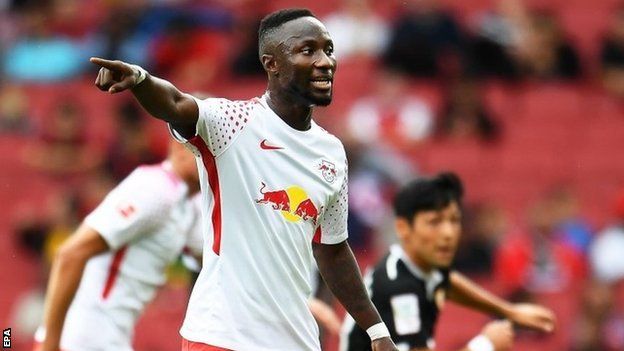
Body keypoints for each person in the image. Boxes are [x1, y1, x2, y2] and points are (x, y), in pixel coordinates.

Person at [89, 8, 398, 351]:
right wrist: (141, 79)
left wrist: (375, 329)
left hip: (295, 342)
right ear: (272, 63)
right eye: (307, 50)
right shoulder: (232, 122)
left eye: (328, 49)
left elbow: (334, 251)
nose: (325, 61)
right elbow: (176, 103)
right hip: (223, 337)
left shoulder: (331, 153)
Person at [341, 173, 556, 351]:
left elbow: (445, 281)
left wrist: (508, 311)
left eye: (453, 220)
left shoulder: (409, 265)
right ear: (405, 229)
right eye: (434, 222)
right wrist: (486, 344)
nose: (447, 233)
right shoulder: (399, 287)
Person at [35, 141, 204, 351]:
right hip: (83, 338)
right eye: (206, 150)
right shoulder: (155, 189)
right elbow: (71, 254)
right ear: (180, 148)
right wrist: (49, 345)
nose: (213, 161)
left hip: (111, 338)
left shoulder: (188, 205)